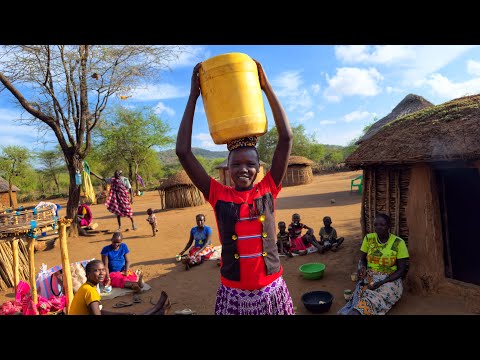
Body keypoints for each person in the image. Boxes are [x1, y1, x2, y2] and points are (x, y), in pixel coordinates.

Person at [176, 60, 295, 315]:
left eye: (250, 164)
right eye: (237, 164)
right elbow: (183, 152)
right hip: (234, 294)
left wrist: (266, 88)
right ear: (227, 168)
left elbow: (286, 137)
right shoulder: (218, 195)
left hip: (271, 291)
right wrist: (193, 97)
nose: (243, 169)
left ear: (258, 167)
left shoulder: (268, 189)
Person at [338, 213, 410, 315]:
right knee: (363, 294)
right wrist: (362, 268)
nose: (378, 227)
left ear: (389, 226)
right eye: (376, 225)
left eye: (382, 225)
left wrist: (382, 282)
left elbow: (401, 270)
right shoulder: (368, 239)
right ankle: (360, 309)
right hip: (370, 277)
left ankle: (360, 310)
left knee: (380, 296)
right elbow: (363, 259)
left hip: (390, 279)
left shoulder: (398, 243)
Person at [69, 259, 170, 315]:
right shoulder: (90, 291)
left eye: (103, 270)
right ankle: (159, 310)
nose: (101, 273)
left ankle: (158, 309)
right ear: (87, 274)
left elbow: (97, 311)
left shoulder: (86, 287)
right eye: (96, 270)